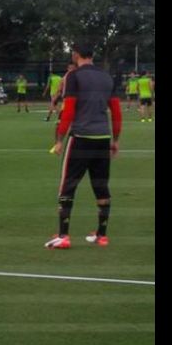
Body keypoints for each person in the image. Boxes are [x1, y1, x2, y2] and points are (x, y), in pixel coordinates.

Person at [45, 44, 122, 249]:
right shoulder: (107, 77)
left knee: (68, 185)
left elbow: (68, 109)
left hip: (80, 137)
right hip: (103, 137)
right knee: (101, 186)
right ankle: (102, 235)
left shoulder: (73, 76)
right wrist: (115, 140)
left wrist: (60, 139)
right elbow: (116, 111)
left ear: (76, 54)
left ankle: (63, 236)